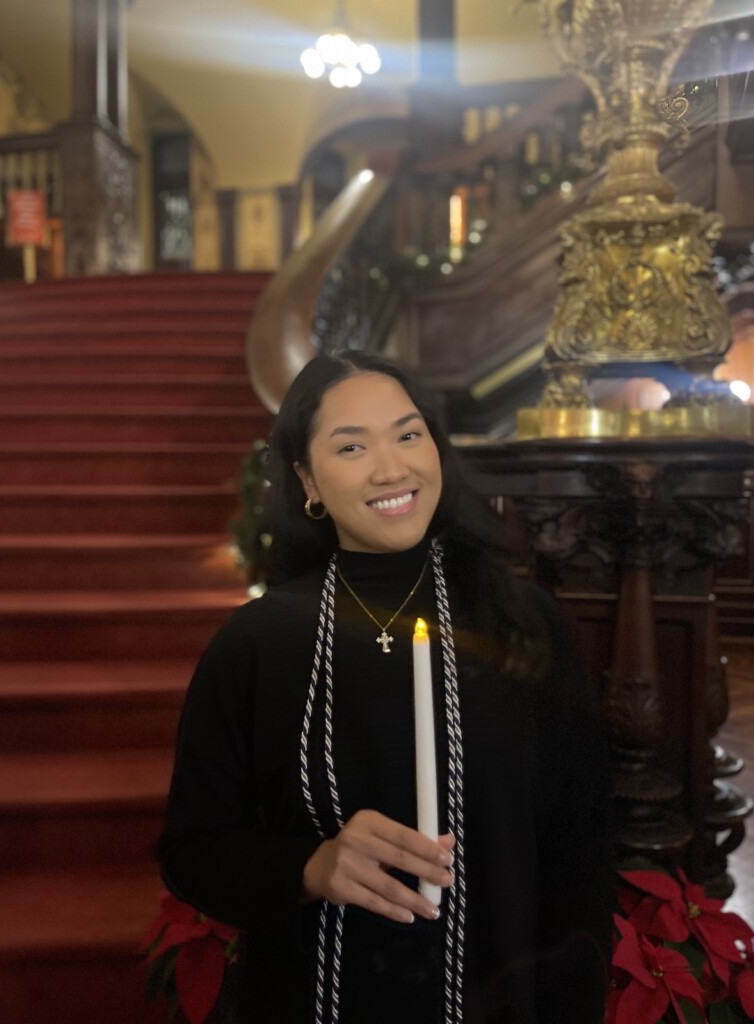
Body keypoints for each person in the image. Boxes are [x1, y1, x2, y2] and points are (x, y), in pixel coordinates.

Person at [157, 350, 613, 1024]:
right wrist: (312, 868)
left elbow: (583, 852)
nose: (393, 468)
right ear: (306, 479)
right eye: (351, 447)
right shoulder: (257, 643)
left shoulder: (526, 625)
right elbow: (193, 851)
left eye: (409, 434)